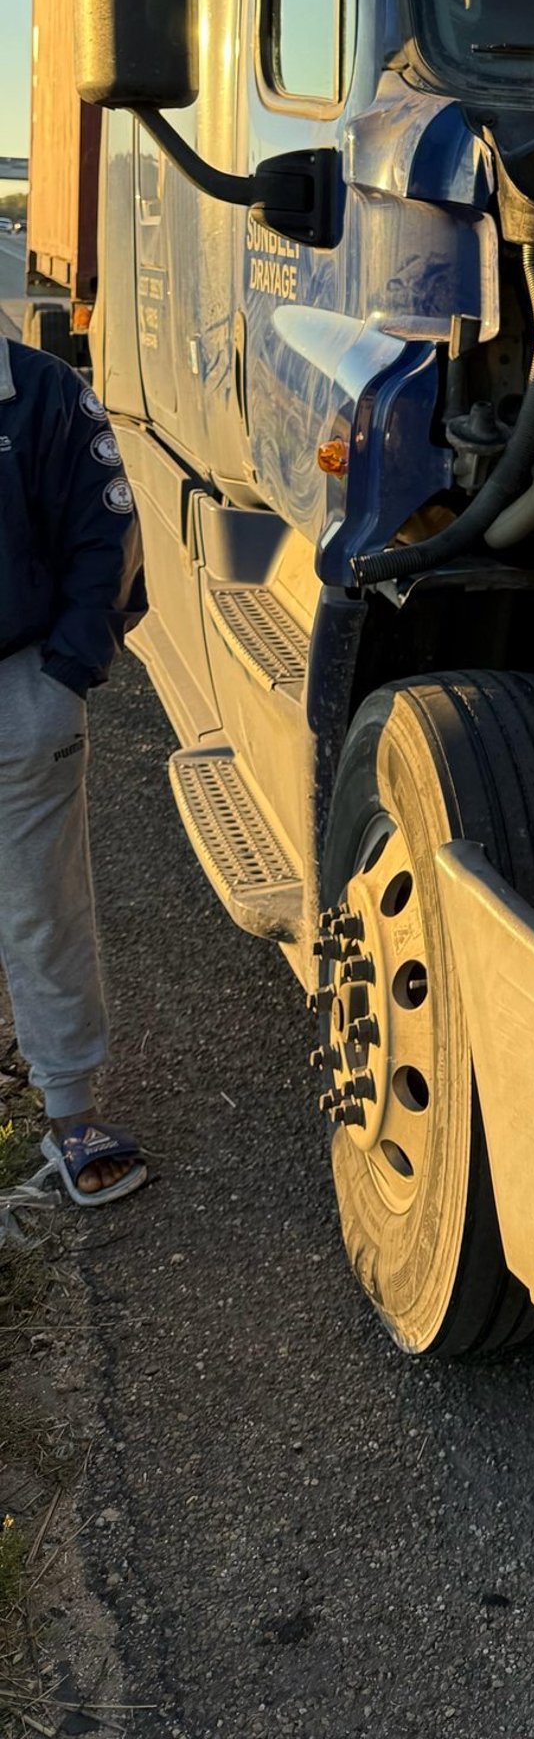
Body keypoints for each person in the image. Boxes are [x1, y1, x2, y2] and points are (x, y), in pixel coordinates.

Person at [0, 330, 146, 1204]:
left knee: (43, 909)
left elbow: (106, 528)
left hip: (21, 694)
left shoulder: (41, 392)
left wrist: (69, 671)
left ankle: (70, 1113)